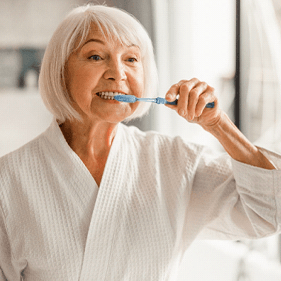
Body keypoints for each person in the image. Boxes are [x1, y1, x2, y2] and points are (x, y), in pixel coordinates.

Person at [0, 4, 280, 281]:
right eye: (96, 56)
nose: (118, 73)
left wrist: (219, 125)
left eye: (132, 59)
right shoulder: (9, 180)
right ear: (61, 72)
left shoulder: (175, 161)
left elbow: (270, 211)